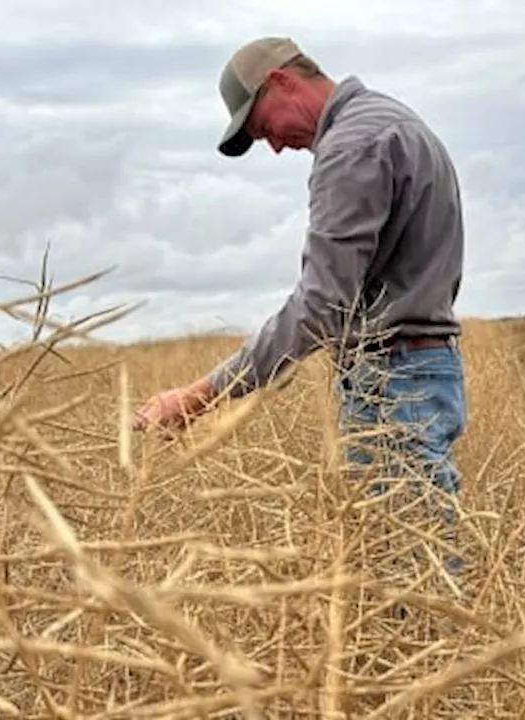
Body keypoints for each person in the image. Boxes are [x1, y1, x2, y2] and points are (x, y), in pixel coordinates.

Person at [132, 37, 468, 581]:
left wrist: (201, 395)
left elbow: (319, 304)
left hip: (393, 381)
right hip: (422, 371)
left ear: (282, 81)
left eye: (262, 127)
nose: (275, 148)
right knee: (421, 557)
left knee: (410, 580)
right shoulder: (392, 120)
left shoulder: (352, 145)